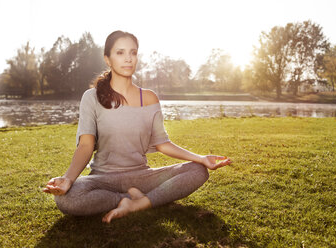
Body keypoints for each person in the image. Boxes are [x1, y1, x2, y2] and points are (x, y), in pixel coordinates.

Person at [43, 30, 232, 223]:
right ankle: (128, 199)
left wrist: (201, 158)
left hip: (142, 177)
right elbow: (86, 146)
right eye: (120, 53)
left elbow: (163, 144)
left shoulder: (149, 98)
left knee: (198, 170)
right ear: (107, 59)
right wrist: (68, 178)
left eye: (133, 53)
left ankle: (139, 203)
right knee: (67, 199)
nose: (128, 59)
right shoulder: (91, 98)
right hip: (103, 179)